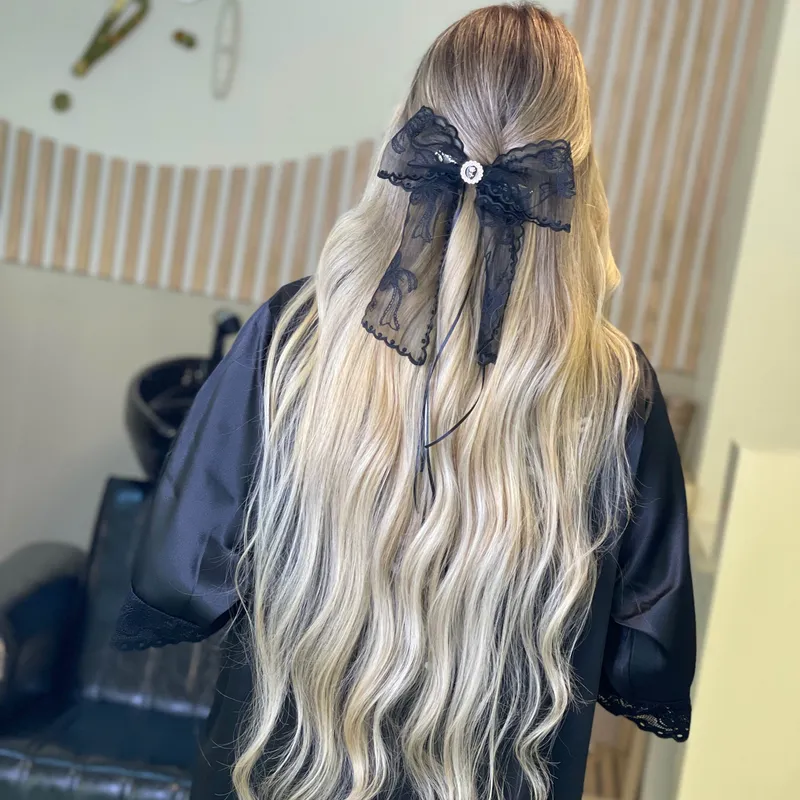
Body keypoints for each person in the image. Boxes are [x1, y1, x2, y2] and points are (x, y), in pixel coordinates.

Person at [113, 5, 696, 799]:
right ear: (577, 176)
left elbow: (180, 570)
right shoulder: (616, 392)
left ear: (408, 129)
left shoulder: (296, 339)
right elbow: (647, 656)